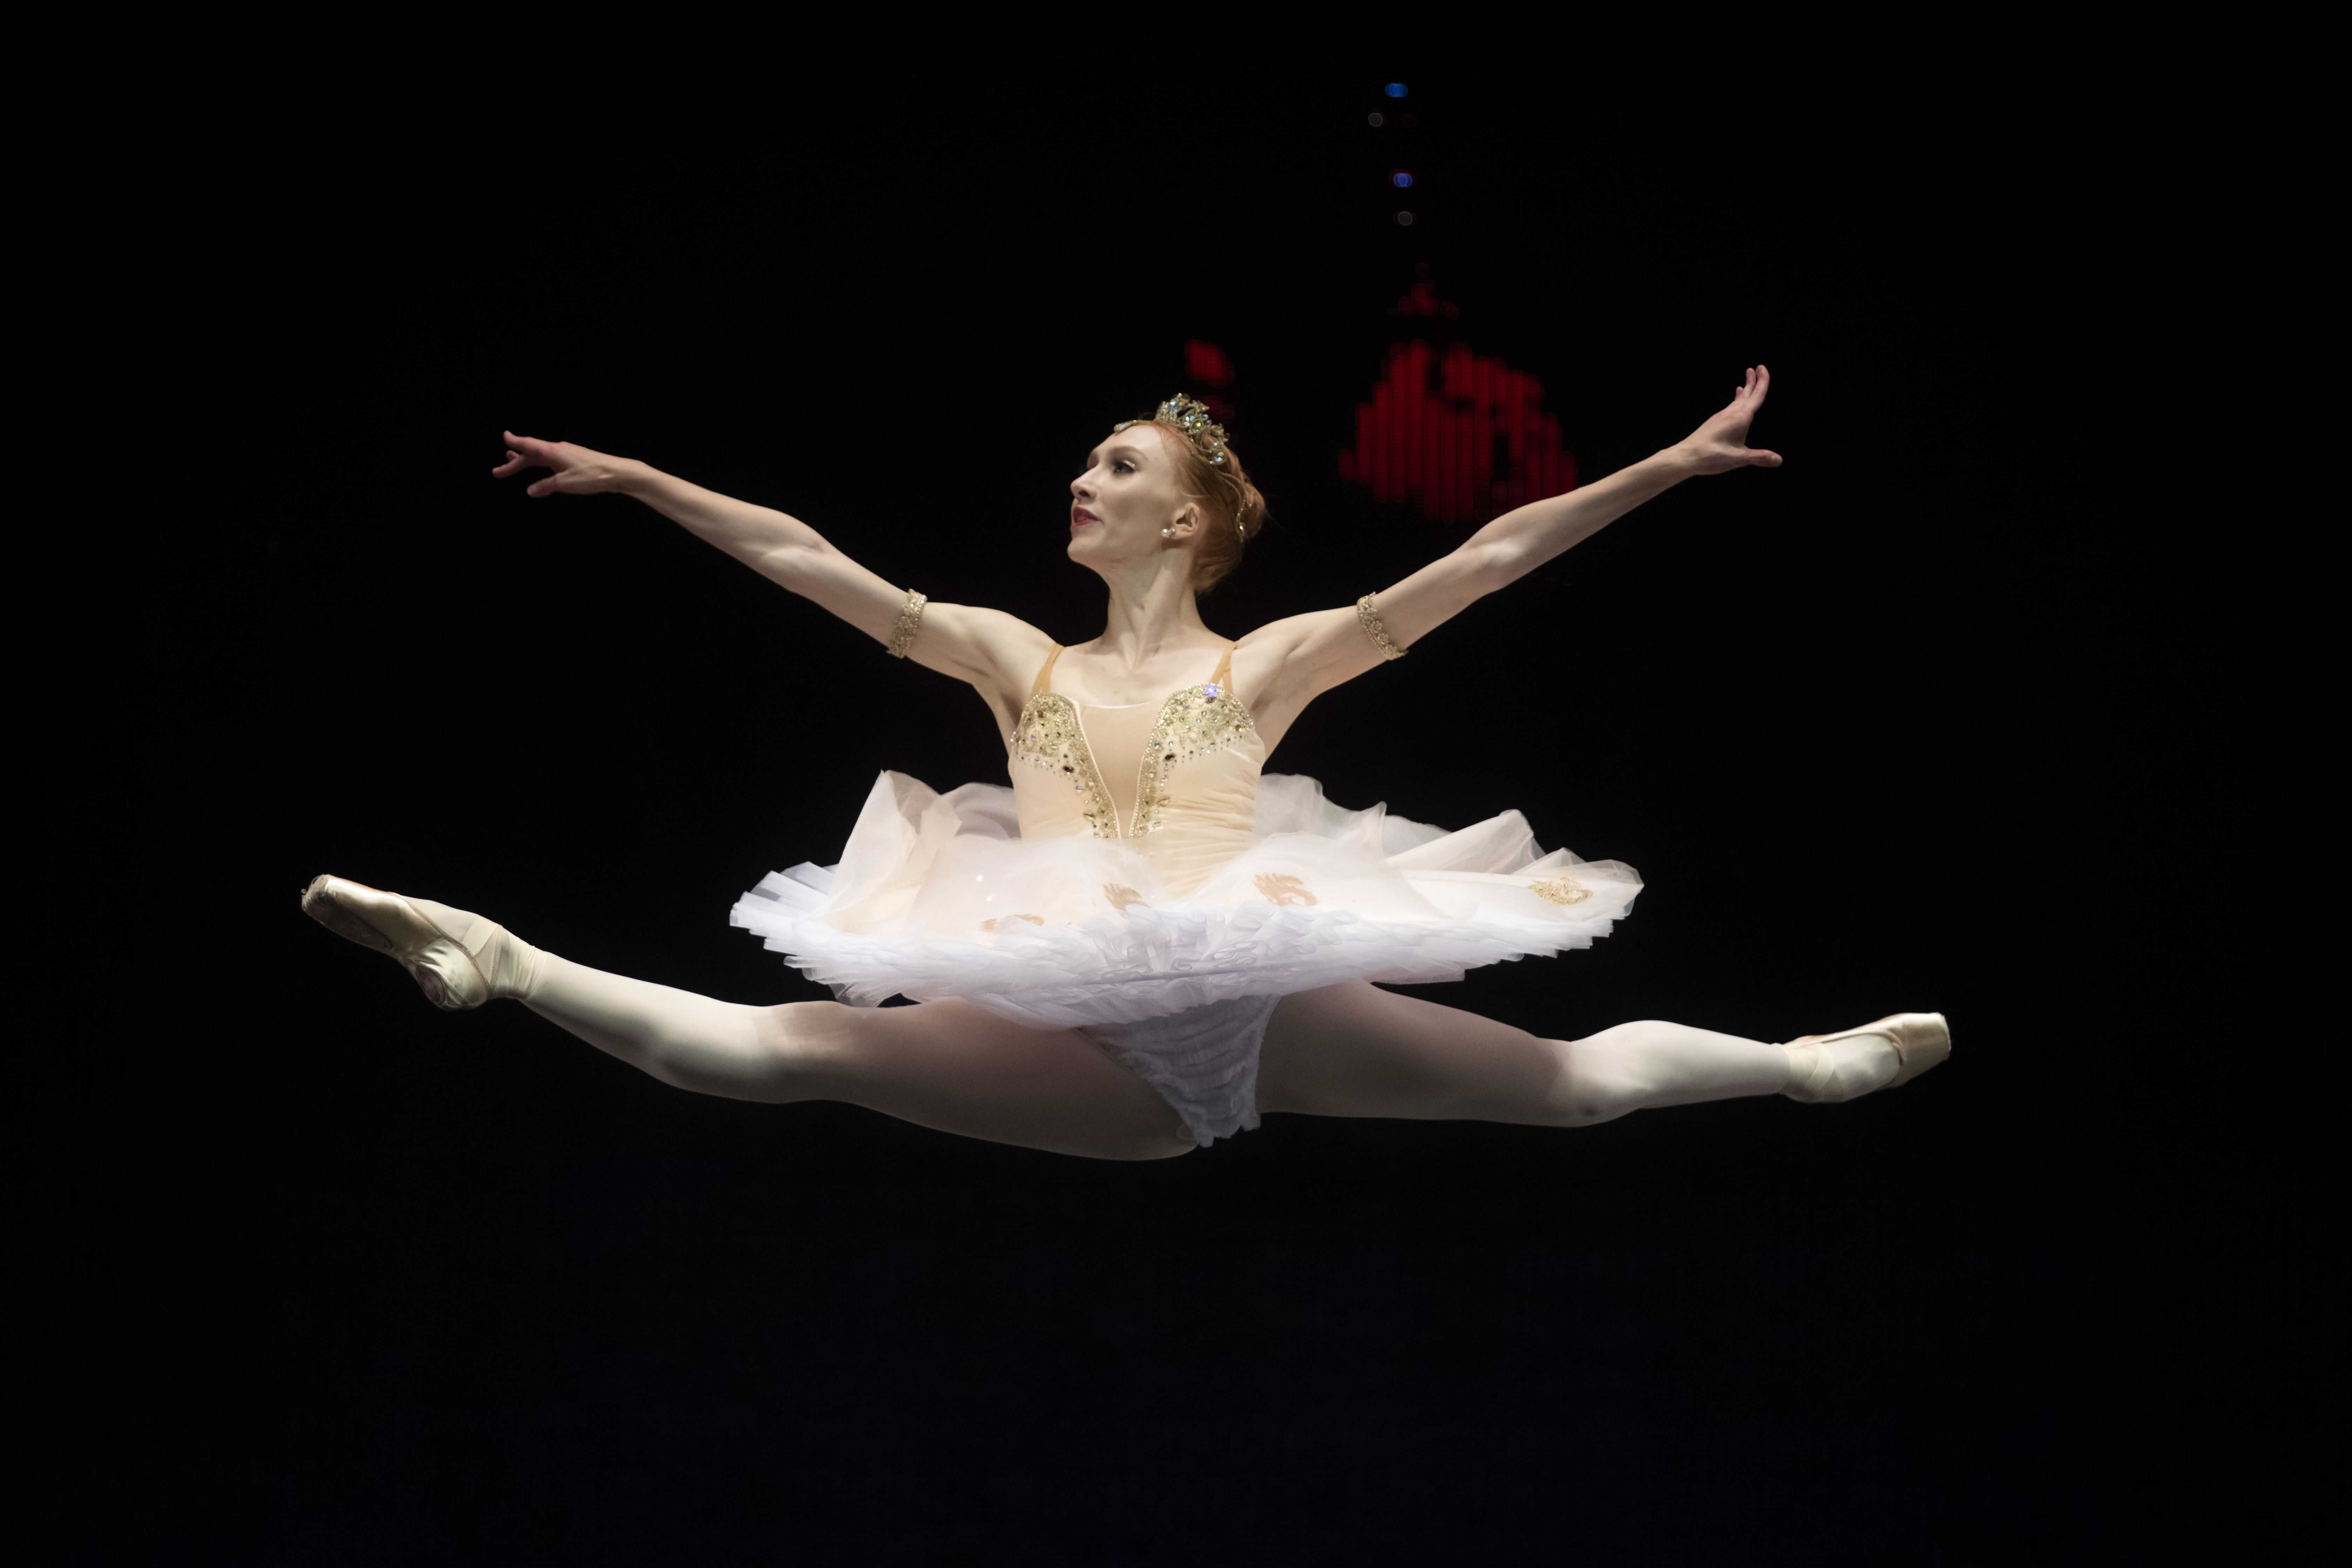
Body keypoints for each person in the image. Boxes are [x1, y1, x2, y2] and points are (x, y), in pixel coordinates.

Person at [303, 366, 1947, 1161]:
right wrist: (647, 478)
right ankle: (505, 960)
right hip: (1077, 1023)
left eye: (1116, 465)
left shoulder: (1268, 660)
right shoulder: (1016, 658)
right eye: (1087, 461)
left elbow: (1494, 555)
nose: (1080, 483)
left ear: (1191, 516)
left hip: (1244, 967)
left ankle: (1804, 1064)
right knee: (790, 1051)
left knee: (1576, 1085)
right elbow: (814, 563)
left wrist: (1661, 465)